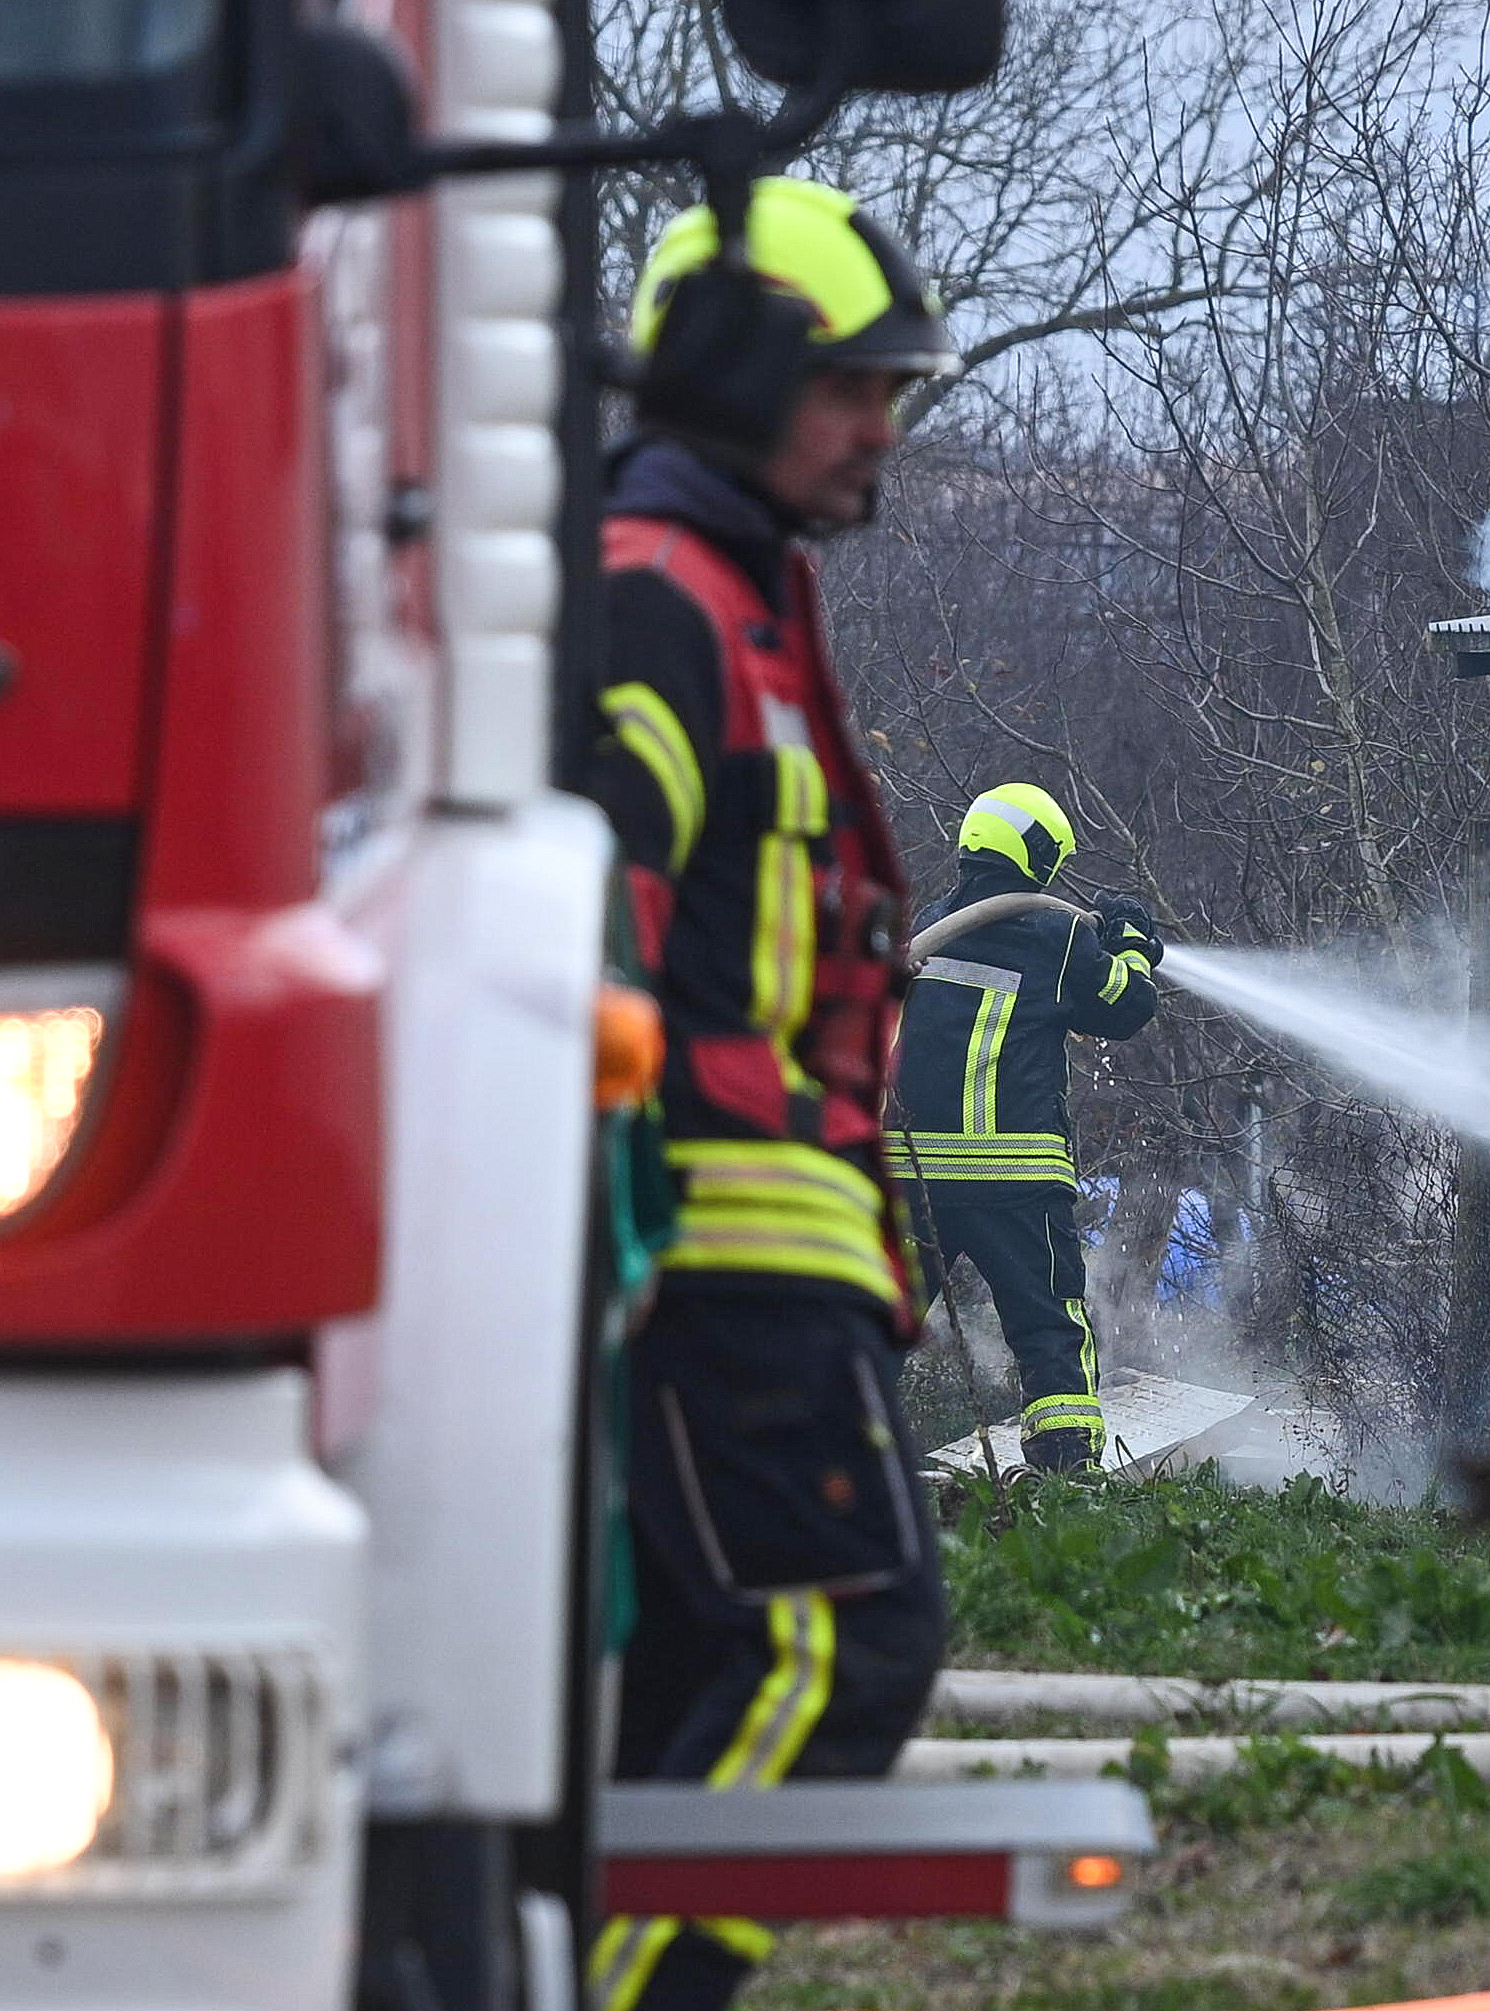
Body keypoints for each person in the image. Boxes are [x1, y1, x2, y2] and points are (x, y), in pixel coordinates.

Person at [574, 175, 957, 2011]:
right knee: (841, 1641)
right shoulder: (655, 600)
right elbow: (590, 938)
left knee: (692, 1691)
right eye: (848, 384)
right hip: (716, 1262)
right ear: (731, 373)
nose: (881, 425)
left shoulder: (736, 600)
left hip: (770, 1254)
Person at [887, 783, 1164, 1473]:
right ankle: (1066, 1467)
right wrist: (1130, 940)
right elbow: (1126, 1005)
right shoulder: (1058, 937)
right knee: (1047, 1324)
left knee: (878, 1320)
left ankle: (838, 1456)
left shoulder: (927, 927)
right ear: (1039, 856)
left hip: (912, 1177)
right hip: (1012, 1178)